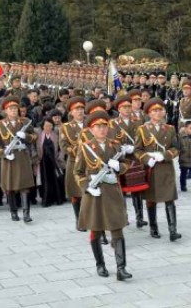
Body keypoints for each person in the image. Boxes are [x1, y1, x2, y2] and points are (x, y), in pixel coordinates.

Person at [74, 110, 133, 281]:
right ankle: (100, 264)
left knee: (117, 229)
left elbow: (126, 164)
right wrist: (87, 187)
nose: (102, 129)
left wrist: (118, 167)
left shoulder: (114, 145)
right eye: (97, 127)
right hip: (95, 193)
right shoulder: (85, 147)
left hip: (112, 191)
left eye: (104, 126)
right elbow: (77, 172)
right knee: (96, 229)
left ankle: (121, 269)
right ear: (91, 130)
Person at [134, 97, 182, 241]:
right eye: (154, 110)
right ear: (149, 113)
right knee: (151, 199)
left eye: (160, 110)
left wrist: (165, 155)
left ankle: (173, 230)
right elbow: (137, 150)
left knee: (169, 199)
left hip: (166, 168)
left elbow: (176, 148)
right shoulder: (142, 130)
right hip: (151, 170)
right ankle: (153, 228)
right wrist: (147, 159)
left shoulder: (170, 128)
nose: (158, 113)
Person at [0, 96, 37, 223]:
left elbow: (34, 137)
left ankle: (26, 213)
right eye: (10, 109)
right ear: (5, 111)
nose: (13, 110)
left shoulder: (25, 121)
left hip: (22, 156)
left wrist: (26, 136)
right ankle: (13, 211)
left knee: (25, 186)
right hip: (9, 157)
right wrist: (3, 154)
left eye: (15, 108)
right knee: (10, 186)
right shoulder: (0, 124)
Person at [109, 95, 147, 228]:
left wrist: (135, 148)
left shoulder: (138, 120)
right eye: (124, 107)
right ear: (119, 108)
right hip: (122, 159)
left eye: (129, 106)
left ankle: (139, 217)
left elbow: (143, 137)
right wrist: (122, 148)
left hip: (135, 158)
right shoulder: (113, 123)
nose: (127, 109)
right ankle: (124, 217)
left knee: (138, 189)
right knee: (122, 190)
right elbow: (112, 140)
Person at [60, 96, 87, 231]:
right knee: (76, 193)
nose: (80, 111)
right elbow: (64, 145)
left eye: (82, 108)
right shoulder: (66, 127)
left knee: (88, 192)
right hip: (74, 162)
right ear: (71, 112)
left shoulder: (91, 124)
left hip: (91, 163)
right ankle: (79, 219)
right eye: (77, 109)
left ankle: (89, 218)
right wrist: (77, 151)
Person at [35, 117, 66, 207]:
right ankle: (46, 199)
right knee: (45, 181)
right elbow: (33, 147)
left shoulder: (56, 136)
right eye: (46, 126)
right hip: (43, 162)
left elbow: (62, 148)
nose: (48, 128)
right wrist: (36, 157)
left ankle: (58, 199)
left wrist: (59, 157)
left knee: (56, 180)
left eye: (50, 126)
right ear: (43, 126)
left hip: (54, 161)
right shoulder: (39, 136)